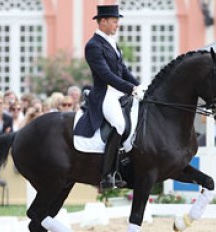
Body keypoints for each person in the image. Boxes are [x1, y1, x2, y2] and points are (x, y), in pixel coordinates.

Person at [74, 5, 145, 189]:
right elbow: (106, 76)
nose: (117, 25)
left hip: (119, 91)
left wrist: (139, 86)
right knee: (119, 124)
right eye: (114, 21)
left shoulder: (113, 43)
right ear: (103, 21)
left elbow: (124, 71)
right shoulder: (93, 45)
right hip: (105, 93)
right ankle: (107, 175)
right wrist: (131, 89)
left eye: (117, 22)